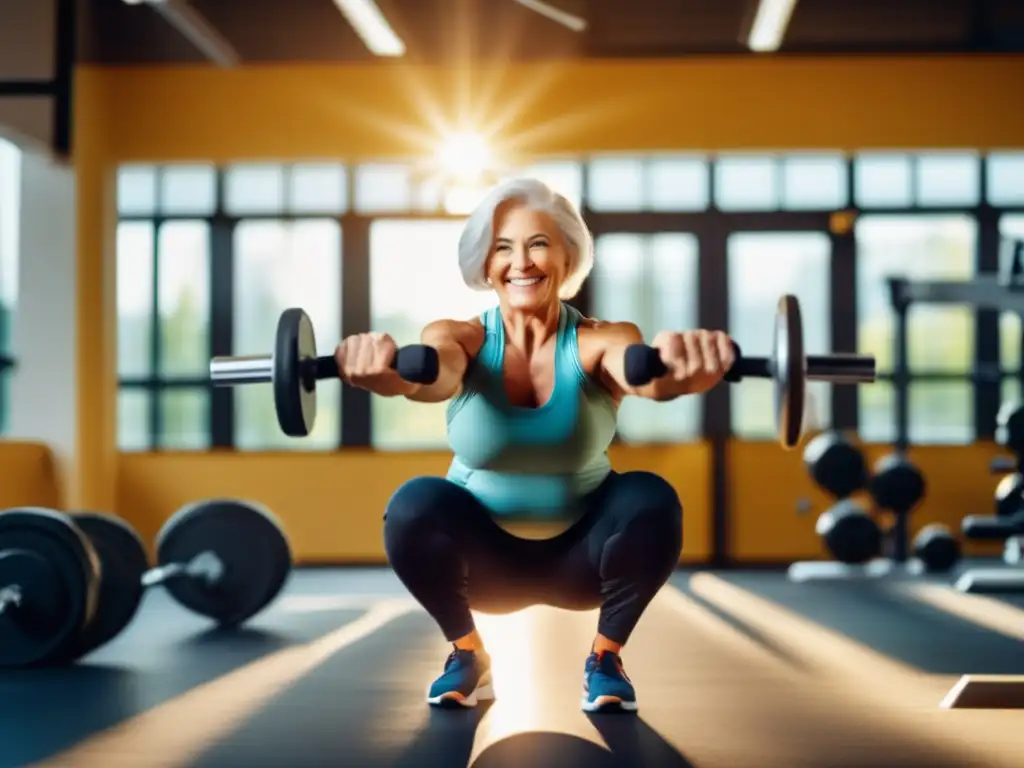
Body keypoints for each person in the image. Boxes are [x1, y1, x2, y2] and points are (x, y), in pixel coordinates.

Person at [334, 177, 734, 714]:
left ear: (568, 257)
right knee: (412, 507)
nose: (521, 261)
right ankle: (467, 654)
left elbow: (644, 376)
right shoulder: (460, 338)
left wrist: (683, 373)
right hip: (482, 563)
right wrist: (378, 373)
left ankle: (605, 659)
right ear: (485, 262)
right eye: (504, 247)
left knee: (651, 500)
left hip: (583, 560)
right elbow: (427, 378)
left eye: (539, 243)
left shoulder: (601, 338)